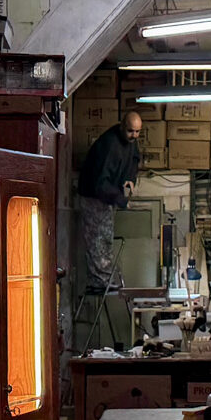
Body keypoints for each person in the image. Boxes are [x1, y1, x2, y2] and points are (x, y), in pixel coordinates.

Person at [78, 110, 141, 294]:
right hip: (93, 196)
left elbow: (135, 160)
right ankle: (99, 280)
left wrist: (130, 179)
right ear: (122, 126)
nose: (134, 136)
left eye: (137, 132)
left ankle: (104, 278)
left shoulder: (131, 143)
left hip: (107, 196)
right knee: (98, 238)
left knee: (105, 237)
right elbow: (100, 183)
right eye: (130, 131)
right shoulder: (109, 145)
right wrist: (121, 200)